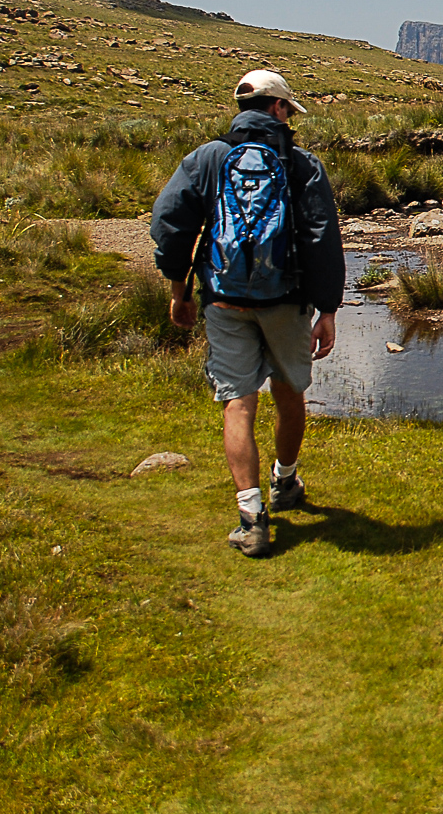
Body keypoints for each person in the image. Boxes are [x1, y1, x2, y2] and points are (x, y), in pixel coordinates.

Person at [151, 69, 345, 558]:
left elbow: (170, 224)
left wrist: (180, 290)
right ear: (279, 108)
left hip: (224, 299)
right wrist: (328, 309)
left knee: (238, 402)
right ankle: (285, 482)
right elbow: (322, 240)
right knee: (290, 391)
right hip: (286, 301)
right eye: (288, 109)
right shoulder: (302, 165)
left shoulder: (207, 159)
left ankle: (251, 515)